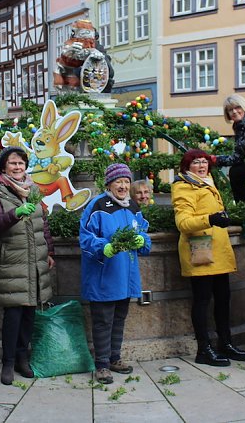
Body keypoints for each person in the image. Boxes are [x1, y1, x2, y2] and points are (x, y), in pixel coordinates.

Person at [171, 149, 245, 368]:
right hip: (200, 252)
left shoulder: (207, 181)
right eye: (196, 162)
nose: (201, 165)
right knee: (202, 300)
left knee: (223, 299)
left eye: (204, 162)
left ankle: (226, 343)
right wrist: (211, 218)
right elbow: (183, 223)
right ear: (187, 166)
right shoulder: (183, 185)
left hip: (218, 250)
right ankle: (203, 349)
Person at [0, 146, 56, 385]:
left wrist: (49, 250)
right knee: (13, 313)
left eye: (21, 164)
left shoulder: (33, 189)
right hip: (11, 259)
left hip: (35, 259)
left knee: (29, 312)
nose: (17, 167)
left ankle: (21, 358)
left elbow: (42, 223)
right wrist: (15, 212)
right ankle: (7, 361)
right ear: (4, 167)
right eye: (13, 163)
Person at [79, 163, 151, 384]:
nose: (123, 185)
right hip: (104, 275)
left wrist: (142, 241)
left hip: (126, 275)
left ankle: (115, 358)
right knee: (103, 320)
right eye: (118, 181)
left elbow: (145, 236)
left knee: (119, 318)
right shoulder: (97, 205)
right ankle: (101, 364)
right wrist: (104, 247)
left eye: (126, 181)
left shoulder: (133, 208)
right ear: (109, 183)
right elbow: (85, 237)